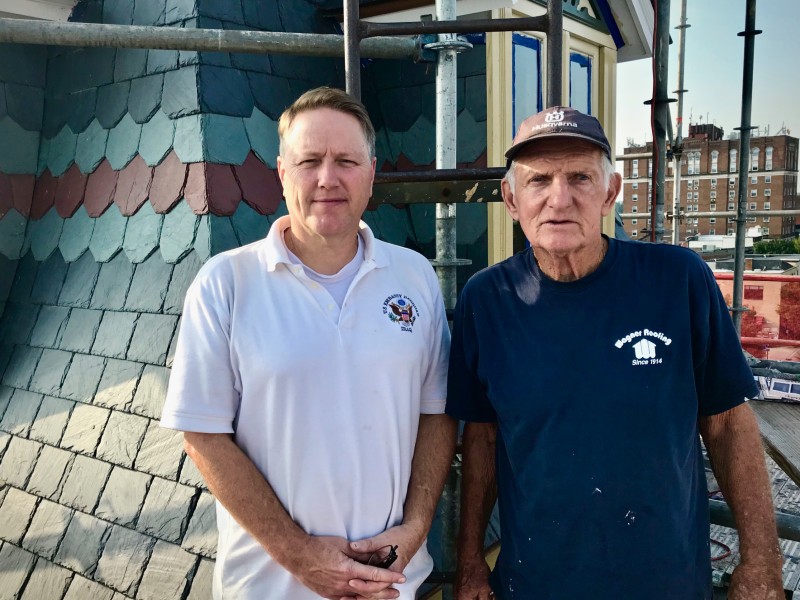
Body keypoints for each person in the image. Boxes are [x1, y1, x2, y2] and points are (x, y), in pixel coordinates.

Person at [446, 106, 784, 600]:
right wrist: (472, 562)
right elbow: (481, 440)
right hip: (535, 583)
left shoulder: (679, 280)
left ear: (610, 192)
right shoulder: (486, 300)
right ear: (511, 200)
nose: (559, 198)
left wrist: (761, 560)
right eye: (539, 180)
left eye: (579, 177)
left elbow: (729, 424)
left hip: (665, 583)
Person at [161, 86, 456, 600]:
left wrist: (412, 533)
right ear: (281, 172)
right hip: (270, 589)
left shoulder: (414, 276)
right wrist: (301, 557)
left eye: (346, 160)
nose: (327, 178)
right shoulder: (225, 283)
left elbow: (436, 414)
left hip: (392, 584)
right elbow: (203, 437)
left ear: (370, 173)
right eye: (309, 161)